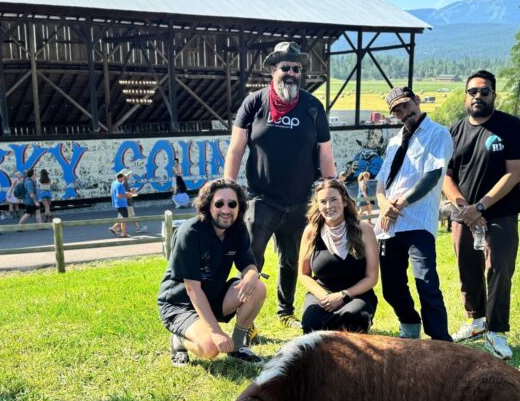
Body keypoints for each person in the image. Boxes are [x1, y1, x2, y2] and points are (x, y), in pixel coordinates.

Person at [223, 41, 336, 330]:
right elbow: (236, 149)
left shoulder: (313, 108)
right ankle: (245, 317)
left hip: (300, 200)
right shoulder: (254, 103)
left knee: (292, 260)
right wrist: (227, 186)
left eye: (296, 69)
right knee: (251, 258)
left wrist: (330, 189)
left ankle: (286, 312)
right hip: (262, 199)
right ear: (273, 70)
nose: (291, 73)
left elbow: (325, 153)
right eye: (285, 67)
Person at [443, 70, 520, 360]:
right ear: (466, 96)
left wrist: (481, 207)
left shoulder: (510, 126)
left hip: (500, 214)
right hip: (463, 215)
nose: (477, 96)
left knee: (500, 269)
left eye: (484, 91)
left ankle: (496, 331)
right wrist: (464, 208)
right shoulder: (454, 131)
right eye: (472, 92)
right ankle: (476, 321)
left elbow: (513, 173)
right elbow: (446, 176)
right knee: (467, 268)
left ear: (493, 95)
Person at [375, 86, 454, 341]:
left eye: (406, 105)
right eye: (397, 110)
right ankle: (409, 324)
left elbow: (433, 175)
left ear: (417, 100)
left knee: (426, 282)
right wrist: (383, 202)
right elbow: (381, 180)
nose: (403, 112)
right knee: (391, 285)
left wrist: (400, 204)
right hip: (389, 225)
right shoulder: (395, 141)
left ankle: (441, 340)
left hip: (418, 221)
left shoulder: (437, 133)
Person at [158, 178, 265, 366]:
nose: (226, 210)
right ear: (208, 205)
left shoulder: (238, 229)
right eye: (219, 203)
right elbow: (192, 290)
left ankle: (237, 346)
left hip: (212, 297)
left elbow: (248, 264)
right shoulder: (190, 232)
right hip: (180, 304)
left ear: (239, 207)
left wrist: (251, 274)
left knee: (258, 287)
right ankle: (179, 339)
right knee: (210, 348)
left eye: (232, 204)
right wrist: (215, 331)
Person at [298, 179, 379, 333]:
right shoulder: (311, 232)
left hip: (356, 294)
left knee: (354, 317)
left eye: (333, 199)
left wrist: (343, 296)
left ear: (345, 202)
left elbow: (372, 277)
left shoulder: (364, 230)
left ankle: (356, 323)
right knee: (311, 323)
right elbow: (304, 274)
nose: (329, 206)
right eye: (323, 201)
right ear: (318, 205)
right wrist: (326, 297)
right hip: (323, 293)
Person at [109, 170, 134, 237]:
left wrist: (126, 193)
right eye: (123, 178)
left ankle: (115, 229)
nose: (124, 179)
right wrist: (127, 195)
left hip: (117, 204)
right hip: (121, 204)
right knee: (124, 218)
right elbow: (119, 195)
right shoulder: (119, 185)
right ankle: (122, 233)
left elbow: (116, 193)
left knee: (123, 218)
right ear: (120, 178)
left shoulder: (114, 183)